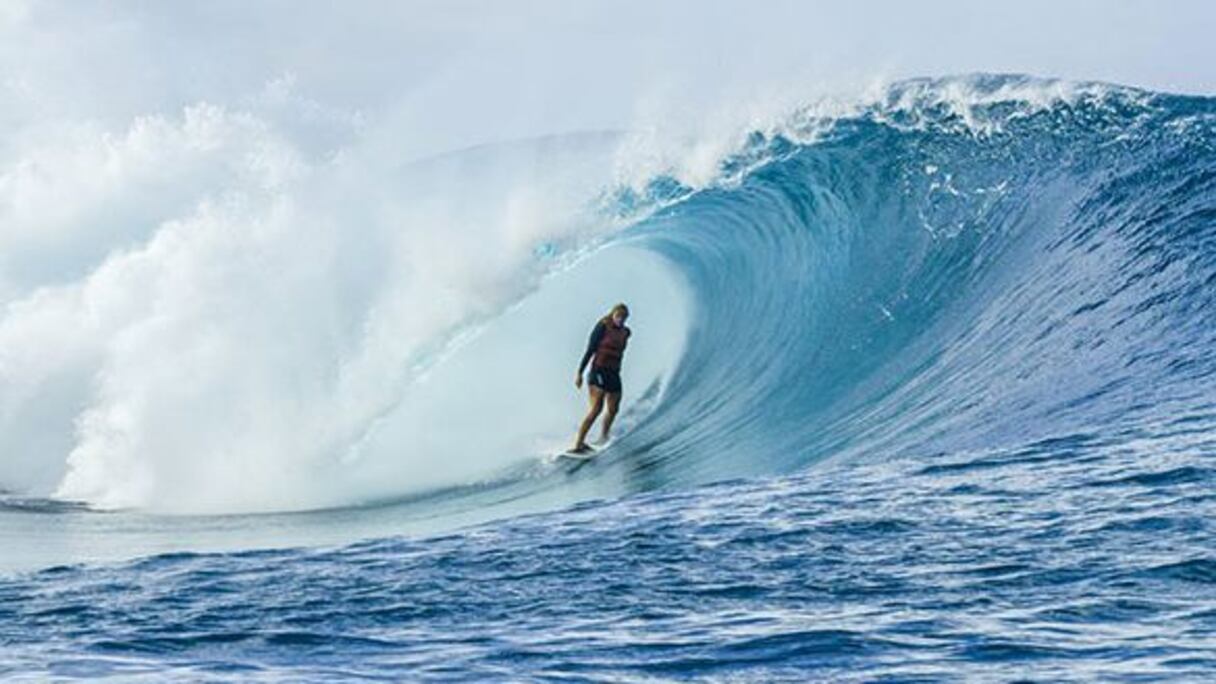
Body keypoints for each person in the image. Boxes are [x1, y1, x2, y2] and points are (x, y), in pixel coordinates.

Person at [572, 303, 631, 453]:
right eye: (618, 316)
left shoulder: (626, 332)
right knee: (597, 409)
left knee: (613, 409)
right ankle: (578, 443)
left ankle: (603, 437)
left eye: (624, 318)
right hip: (598, 371)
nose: (621, 320)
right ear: (613, 314)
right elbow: (590, 349)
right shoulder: (602, 327)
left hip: (614, 373)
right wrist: (580, 372)